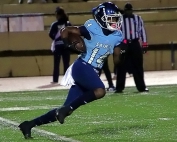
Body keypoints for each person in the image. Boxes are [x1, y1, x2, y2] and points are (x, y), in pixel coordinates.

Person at [18, 2, 123, 139]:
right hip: (82, 66)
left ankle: (28, 124)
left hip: (93, 71)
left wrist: (121, 53)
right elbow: (66, 31)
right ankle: (68, 109)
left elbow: (116, 61)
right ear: (102, 18)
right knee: (100, 91)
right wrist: (69, 45)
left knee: (64, 110)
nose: (115, 22)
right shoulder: (92, 27)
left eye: (116, 19)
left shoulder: (117, 36)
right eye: (112, 19)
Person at [115, 3, 149, 93]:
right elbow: (116, 33)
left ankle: (141, 87)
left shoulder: (138, 18)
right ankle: (119, 87)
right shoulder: (120, 19)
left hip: (134, 43)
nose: (129, 12)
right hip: (124, 44)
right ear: (125, 11)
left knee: (138, 66)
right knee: (121, 66)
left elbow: (142, 31)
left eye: (130, 10)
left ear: (132, 10)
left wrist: (144, 44)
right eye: (127, 10)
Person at [50, 7, 71, 84]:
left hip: (58, 46)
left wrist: (56, 38)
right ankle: (67, 80)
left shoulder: (55, 24)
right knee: (66, 63)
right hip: (66, 46)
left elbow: (50, 34)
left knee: (56, 64)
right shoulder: (68, 24)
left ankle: (55, 80)